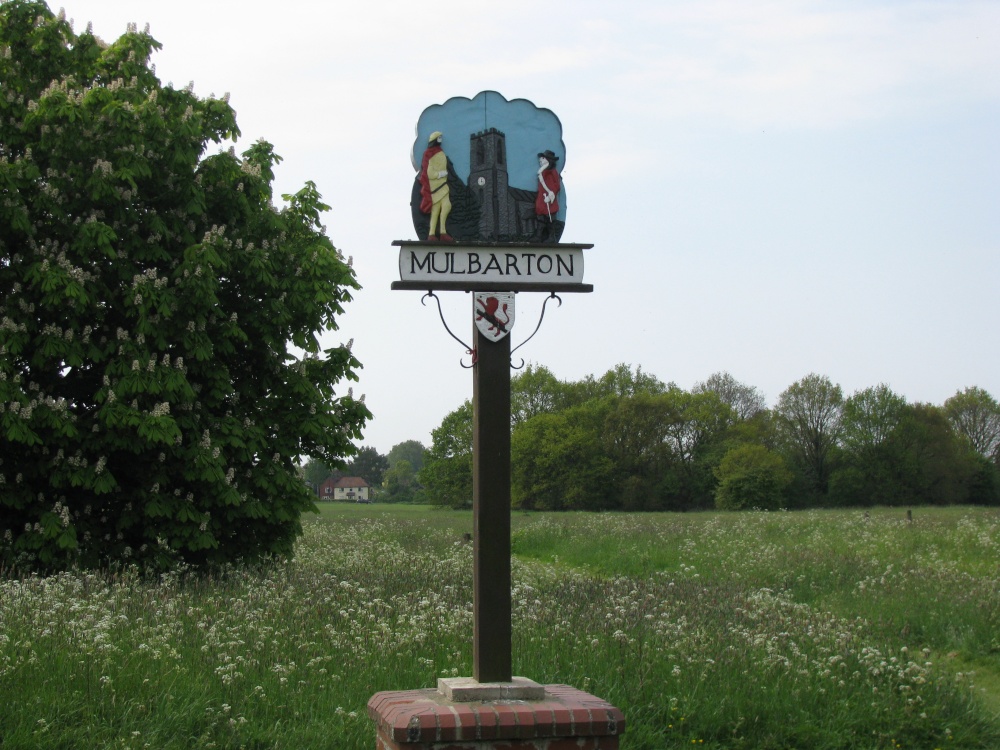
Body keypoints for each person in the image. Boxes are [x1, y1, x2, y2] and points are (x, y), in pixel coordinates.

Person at [419, 131, 453, 241]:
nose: (441, 139)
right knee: (435, 210)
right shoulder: (429, 154)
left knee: (447, 206)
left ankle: (443, 231)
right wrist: (440, 174)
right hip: (435, 186)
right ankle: (432, 233)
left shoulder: (440, 152)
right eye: (439, 137)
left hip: (443, 184)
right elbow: (429, 173)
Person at [532, 149, 561, 243]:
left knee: (550, 217)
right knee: (541, 216)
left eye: (543, 158)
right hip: (542, 197)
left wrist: (551, 194)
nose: (540, 160)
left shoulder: (552, 172)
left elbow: (556, 186)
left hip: (549, 198)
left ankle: (551, 236)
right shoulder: (542, 172)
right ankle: (539, 235)